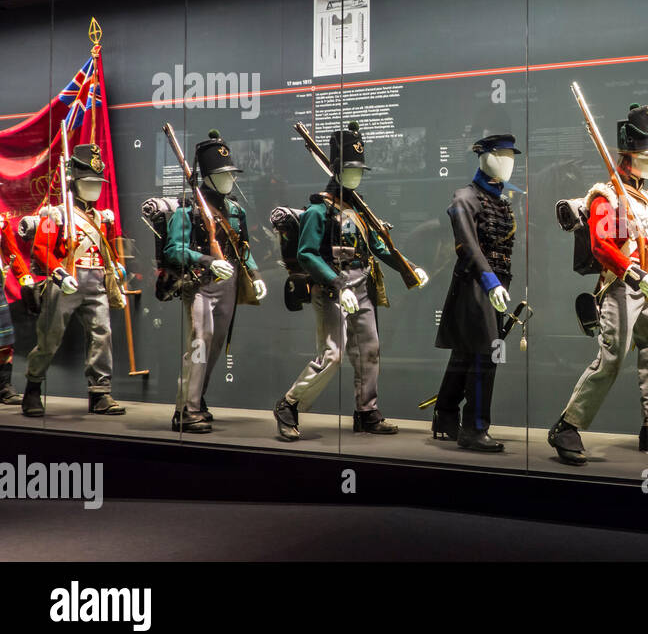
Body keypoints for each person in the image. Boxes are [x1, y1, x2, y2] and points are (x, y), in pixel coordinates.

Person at [547, 104, 648, 465]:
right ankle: (567, 425)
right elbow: (601, 246)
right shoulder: (606, 196)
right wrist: (633, 273)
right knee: (610, 359)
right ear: (631, 157)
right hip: (621, 287)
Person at [272, 122, 429, 440]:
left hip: (362, 285)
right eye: (351, 169)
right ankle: (289, 404)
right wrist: (337, 284)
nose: (357, 175)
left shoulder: (359, 211)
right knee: (332, 355)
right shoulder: (318, 210)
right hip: (332, 287)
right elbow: (307, 254)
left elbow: (379, 247)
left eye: (359, 170)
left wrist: (409, 268)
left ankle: (367, 411)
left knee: (369, 349)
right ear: (336, 169)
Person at [162, 130, 268, 433]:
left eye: (230, 173)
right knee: (199, 343)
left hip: (228, 286)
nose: (229, 179)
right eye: (222, 174)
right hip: (200, 285)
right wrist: (207, 261)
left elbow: (243, 249)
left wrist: (255, 275)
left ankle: (197, 399)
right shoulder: (189, 211)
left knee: (215, 346)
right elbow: (174, 249)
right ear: (207, 177)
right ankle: (185, 410)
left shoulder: (236, 211)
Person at [20, 143, 126, 417]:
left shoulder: (101, 218)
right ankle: (33, 388)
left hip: (96, 280)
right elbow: (41, 249)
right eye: (88, 182)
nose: (95, 188)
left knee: (102, 334)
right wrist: (59, 273)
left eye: (97, 183)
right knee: (50, 338)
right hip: (66, 281)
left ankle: (100, 392)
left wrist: (116, 268)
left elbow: (107, 249)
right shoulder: (55, 214)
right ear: (74, 182)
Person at [432, 133, 520, 451]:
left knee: (467, 352)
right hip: (474, 285)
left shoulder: (501, 201)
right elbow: (468, 245)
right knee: (487, 354)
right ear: (483, 157)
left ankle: (445, 415)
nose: (508, 163)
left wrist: (499, 283)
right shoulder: (464, 198)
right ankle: (474, 427)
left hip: (496, 285)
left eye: (511, 157)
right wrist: (490, 282)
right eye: (500, 156)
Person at [0, 215, 35, 406]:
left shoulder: (1, 222)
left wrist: (24, 278)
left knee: (3, 342)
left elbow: (11, 252)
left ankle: (3, 386)